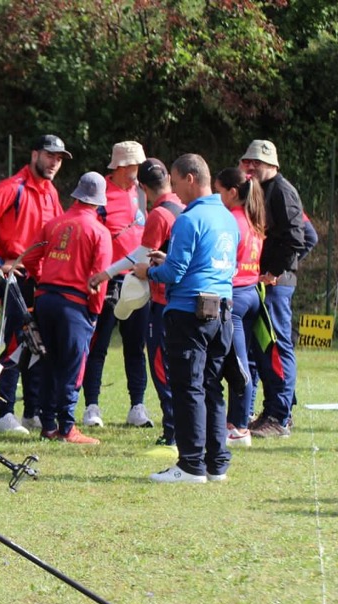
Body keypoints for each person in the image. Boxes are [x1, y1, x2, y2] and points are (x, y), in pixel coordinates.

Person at [134, 154, 237, 483]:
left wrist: (148, 270)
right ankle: (216, 462)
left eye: (176, 183)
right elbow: (213, 265)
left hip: (189, 312)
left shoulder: (188, 220)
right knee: (211, 387)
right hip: (222, 310)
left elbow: (174, 272)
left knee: (187, 387)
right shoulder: (228, 219)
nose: (175, 191)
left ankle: (191, 464)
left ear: (190, 179)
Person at [0, 134, 69, 435]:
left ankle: (31, 411)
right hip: (15, 276)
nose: (54, 162)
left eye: (59, 158)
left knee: (36, 344)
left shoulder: (51, 192)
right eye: (50, 155)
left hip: (41, 279)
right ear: (35, 154)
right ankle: (5, 413)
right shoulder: (11, 188)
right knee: (14, 344)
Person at [89, 158, 185, 446]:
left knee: (160, 366)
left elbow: (140, 256)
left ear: (142, 186)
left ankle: (173, 432)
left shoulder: (159, 215)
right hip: (183, 298)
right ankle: (180, 429)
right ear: (168, 176)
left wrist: (105, 272)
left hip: (162, 298)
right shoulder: (183, 206)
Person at [22, 171, 112, 445]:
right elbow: (99, 277)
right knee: (73, 366)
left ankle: (48, 425)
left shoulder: (55, 223)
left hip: (46, 299)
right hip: (75, 304)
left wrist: (45, 279)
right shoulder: (99, 231)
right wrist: (94, 312)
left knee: (49, 362)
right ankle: (67, 428)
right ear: (98, 201)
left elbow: (30, 258)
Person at [81, 141, 149, 429]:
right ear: (122, 166)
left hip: (139, 280)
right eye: (136, 166)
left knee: (136, 346)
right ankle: (92, 406)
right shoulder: (102, 194)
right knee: (99, 345)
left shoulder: (143, 193)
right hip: (108, 280)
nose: (140, 171)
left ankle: (138, 406)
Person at [239, 140, 305, 438]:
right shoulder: (260, 191)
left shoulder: (282, 191)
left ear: (273, 165)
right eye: (248, 161)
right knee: (265, 348)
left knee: (277, 347)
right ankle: (272, 410)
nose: (252, 166)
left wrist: (275, 272)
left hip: (276, 285)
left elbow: (297, 238)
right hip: (266, 283)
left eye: (258, 162)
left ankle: (280, 416)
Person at [214, 167, 266, 447]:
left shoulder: (232, 220)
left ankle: (239, 427)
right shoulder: (252, 218)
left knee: (237, 364)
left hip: (235, 296)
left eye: (219, 191)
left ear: (232, 192)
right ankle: (236, 421)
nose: (216, 197)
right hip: (251, 293)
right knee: (240, 360)